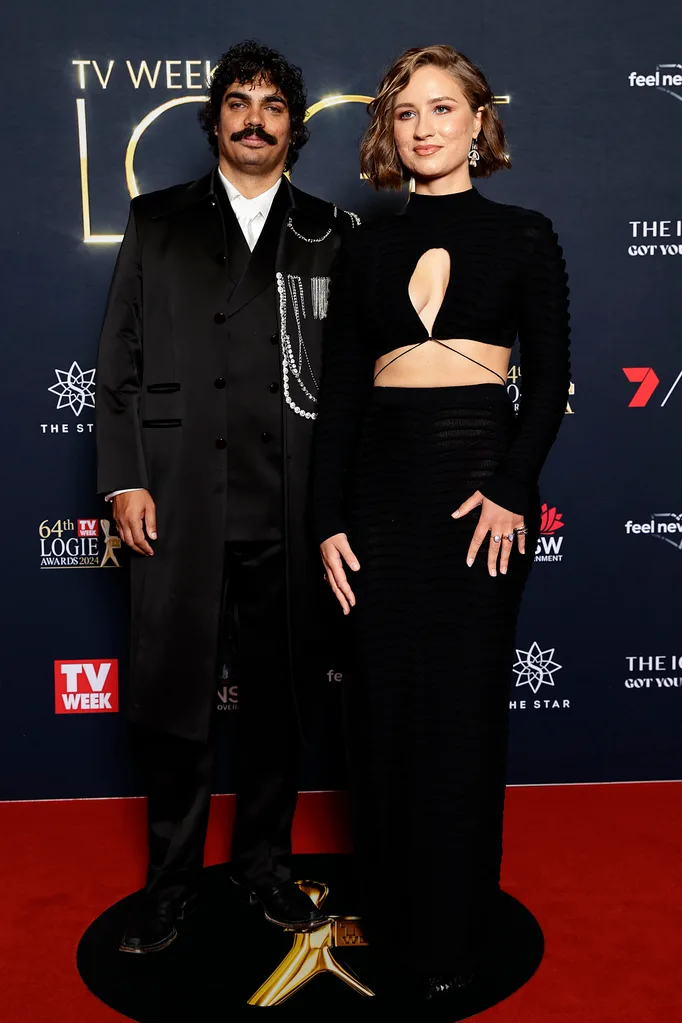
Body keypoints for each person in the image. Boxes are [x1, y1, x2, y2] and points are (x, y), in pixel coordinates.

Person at [312, 45, 570, 1000]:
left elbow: (546, 382)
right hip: (381, 506)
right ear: (391, 131)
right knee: (382, 719)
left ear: (477, 122)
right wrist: (328, 520)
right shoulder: (364, 247)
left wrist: (510, 486)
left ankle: (452, 930)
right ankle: (392, 916)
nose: (424, 127)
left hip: (479, 512)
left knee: (461, 722)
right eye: (407, 113)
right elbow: (340, 398)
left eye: (442, 108)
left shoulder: (526, 236)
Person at [96, 40, 359, 954]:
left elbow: (357, 381)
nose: (255, 117)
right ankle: (168, 887)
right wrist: (125, 475)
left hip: (291, 504)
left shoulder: (332, 230)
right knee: (174, 703)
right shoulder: (157, 219)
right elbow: (118, 365)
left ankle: (263, 867)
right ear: (213, 121)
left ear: (294, 126)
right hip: (177, 500)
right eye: (239, 102)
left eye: (273, 104)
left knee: (283, 702)